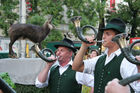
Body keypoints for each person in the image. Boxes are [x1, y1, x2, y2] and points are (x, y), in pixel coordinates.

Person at [72, 18, 140, 93]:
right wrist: (84, 45)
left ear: (121, 37)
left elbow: (137, 88)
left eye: (108, 34)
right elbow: (76, 67)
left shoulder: (126, 61)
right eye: (104, 33)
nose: (103, 36)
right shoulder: (100, 59)